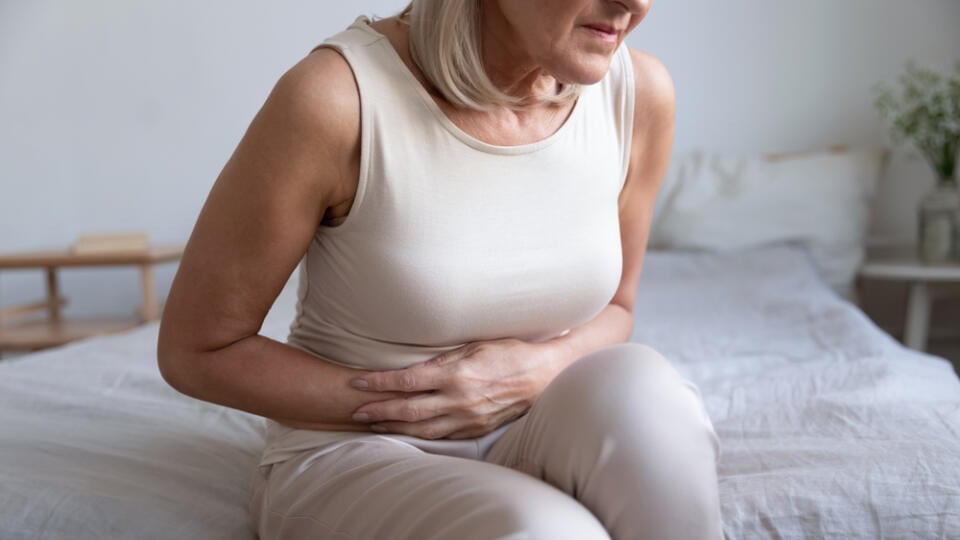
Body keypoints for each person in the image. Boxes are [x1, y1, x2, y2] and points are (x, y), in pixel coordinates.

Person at [157, 0, 724, 538]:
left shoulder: (638, 94)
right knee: (548, 533)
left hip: (535, 420)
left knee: (649, 395)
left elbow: (619, 309)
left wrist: (531, 373)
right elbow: (198, 349)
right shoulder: (337, 98)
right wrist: (422, 405)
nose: (637, 3)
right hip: (355, 452)